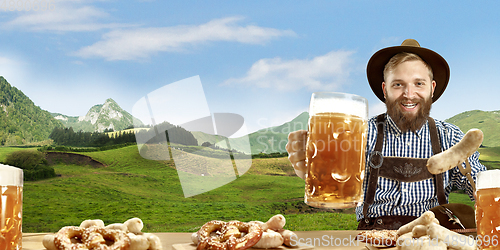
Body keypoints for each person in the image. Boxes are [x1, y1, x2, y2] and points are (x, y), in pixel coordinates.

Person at [285, 39, 486, 230]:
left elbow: (480, 186)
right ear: (385, 89)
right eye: (398, 84)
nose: (409, 94)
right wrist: (309, 168)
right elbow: (337, 182)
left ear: (431, 88)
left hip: (432, 238)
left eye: (419, 83)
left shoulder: (451, 137)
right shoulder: (360, 133)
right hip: (372, 236)